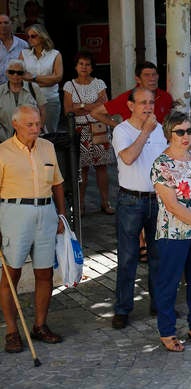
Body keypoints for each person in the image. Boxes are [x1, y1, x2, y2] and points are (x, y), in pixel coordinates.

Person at [0, 105, 67, 353]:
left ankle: (40, 325)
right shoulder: (3, 152)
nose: (36, 129)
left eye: (38, 124)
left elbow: (58, 184)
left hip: (45, 211)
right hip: (14, 213)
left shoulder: (47, 147)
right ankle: (11, 331)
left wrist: (61, 215)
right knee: (11, 274)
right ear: (15, 124)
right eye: (30, 125)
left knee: (44, 273)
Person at [150, 111, 191, 351]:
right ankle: (167, 331)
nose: (186, 136)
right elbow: (172, 205)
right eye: (180, 131)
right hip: (174, 235)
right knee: (169, 284)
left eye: (189, 131)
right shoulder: (161, 165)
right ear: (169, 134)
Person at [110, 87, 168, 330]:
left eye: (151, 102)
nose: (148, 107)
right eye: (142, 102)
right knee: (127, 257)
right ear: (130, 105)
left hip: (157, 199)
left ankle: (159, 304)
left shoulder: (159, 129)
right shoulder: (121, 130)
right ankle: (122, 308)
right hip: (130, 201)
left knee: (159, 256)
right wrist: (145, 131)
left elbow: (165, 159)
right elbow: (128, 158)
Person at [62, 51, 114, 215]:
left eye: (87, 64)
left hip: (99, 128)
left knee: (101, 167)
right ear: (76, 66)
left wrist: (81, 105)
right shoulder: (69, 85)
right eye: (81, 64)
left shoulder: (99, 83)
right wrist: (92, 105)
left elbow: (104, 106)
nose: (84, 67)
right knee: (82, 169)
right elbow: (68, 110)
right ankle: (80, 204)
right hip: (80, 130)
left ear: (92, 67)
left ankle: (105, 202)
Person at [91, 61, 174, 127]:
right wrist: (120, 127)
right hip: (134, 144)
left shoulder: (166, 97)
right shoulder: (127, 97)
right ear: (138, 79)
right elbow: (95, 113)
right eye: (146, 75)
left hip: (159, 144)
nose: (152, 78)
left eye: (154, 74)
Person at [19, 24, 62, 132]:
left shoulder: (55, 54)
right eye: (28, 37)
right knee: (29, 132)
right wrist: (48, 80)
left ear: (42, 36)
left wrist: (33, 78)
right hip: (28, 99)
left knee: (50, 133)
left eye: (33, 36)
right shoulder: (24, 54)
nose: (30, 39)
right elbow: (21, 76)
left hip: (50, 99)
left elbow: (57, 77)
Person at [0, 60, 46, 141]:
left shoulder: (34, 88)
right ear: (7, 73)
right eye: (11, 72)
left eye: (19, 73)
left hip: (32, 138)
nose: (15, 75)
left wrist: (38, 130)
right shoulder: (0, 90)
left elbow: (43, 111)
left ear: (24, 74)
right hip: (5, 139)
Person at [0, 14, 27, 85]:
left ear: (11, 24)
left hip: (17, 87)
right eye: (0, 23)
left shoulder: (23, 44)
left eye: (6, 23)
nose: (3, 25)